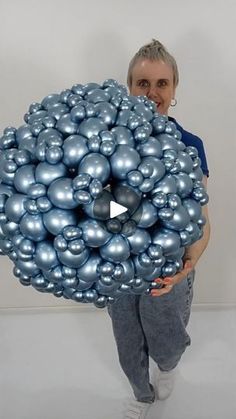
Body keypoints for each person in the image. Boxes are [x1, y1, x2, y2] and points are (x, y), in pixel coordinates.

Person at [107, 39, 210, 419]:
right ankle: (141, 393)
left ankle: (167, 367)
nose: (152, 93)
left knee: (166, 337)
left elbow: (201, 218)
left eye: (162, 84)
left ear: (174, 90)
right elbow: (99, 211)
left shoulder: (190, 145)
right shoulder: (104, 144)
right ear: (129, 87)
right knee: (126, 337)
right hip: (119, 264)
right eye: (142, 83)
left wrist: (189, 262)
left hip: (169, 266)